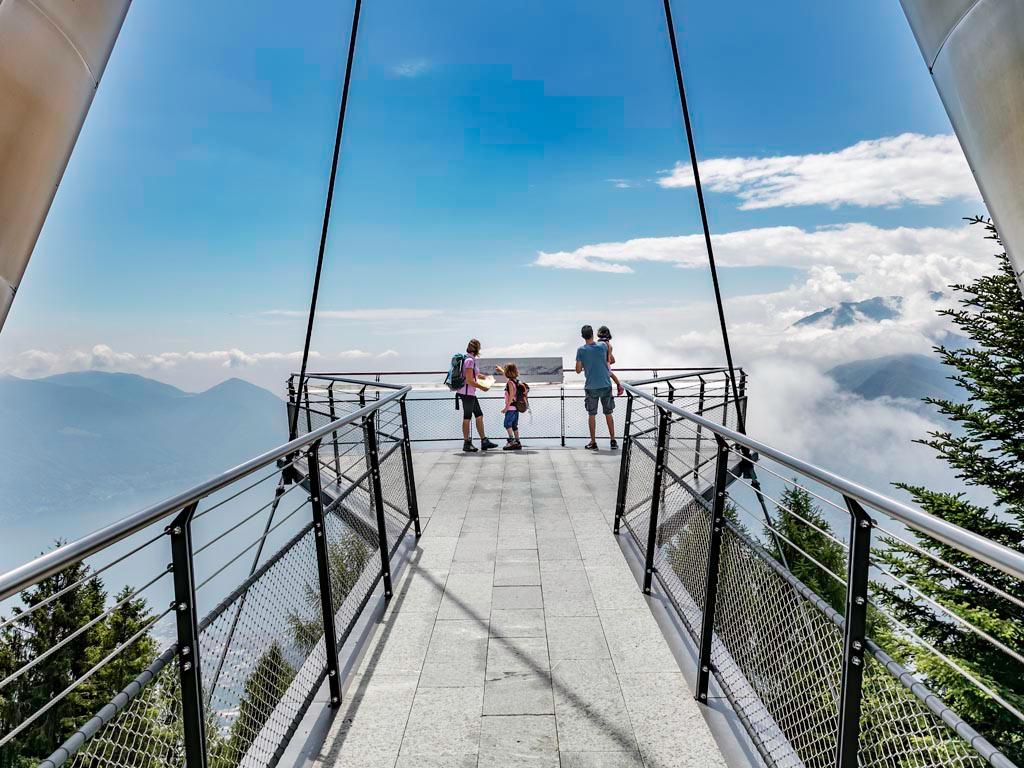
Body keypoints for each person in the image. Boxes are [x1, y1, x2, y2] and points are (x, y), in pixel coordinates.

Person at [575, 324, 617, 450]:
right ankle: (613, 440)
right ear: (593, 334)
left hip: (591, 386)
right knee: (608, 413)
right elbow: (611, 360)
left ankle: (593, 442)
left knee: (592, 414)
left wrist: (585, 363)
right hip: (605, 384)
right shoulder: (604, 346)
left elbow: (578, 370)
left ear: (583, 336)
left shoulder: (581, 350)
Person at [458, 339, 498, 452]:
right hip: (467, 394)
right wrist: (483, 387)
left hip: (469, 393)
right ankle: (466, 443)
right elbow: (470, 380)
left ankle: (484, 441)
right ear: (477, 349)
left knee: (479, 415)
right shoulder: (469, 361)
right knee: (467, 418)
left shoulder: (468, 359)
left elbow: (471, 375)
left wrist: (484, 377)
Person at [497, 362, 523, 450]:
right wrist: (501, 370)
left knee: (507, 424)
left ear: (508, 372)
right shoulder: (516, 381)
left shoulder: (510, 383)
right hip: (516, 408)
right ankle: (517, 442)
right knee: (514, 425)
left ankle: (511, 442)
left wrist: (506, 408)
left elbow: (511, 396)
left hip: (511, 408)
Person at [597, 325, 625, 397]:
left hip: (605, 362)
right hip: (605, 362)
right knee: (610, 374)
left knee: (610, 373)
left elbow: (609, 358)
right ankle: (619, 386)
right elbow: (612, 360)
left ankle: (619, 386)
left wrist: (606, 361)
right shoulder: (606, 343)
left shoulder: (605, 344)